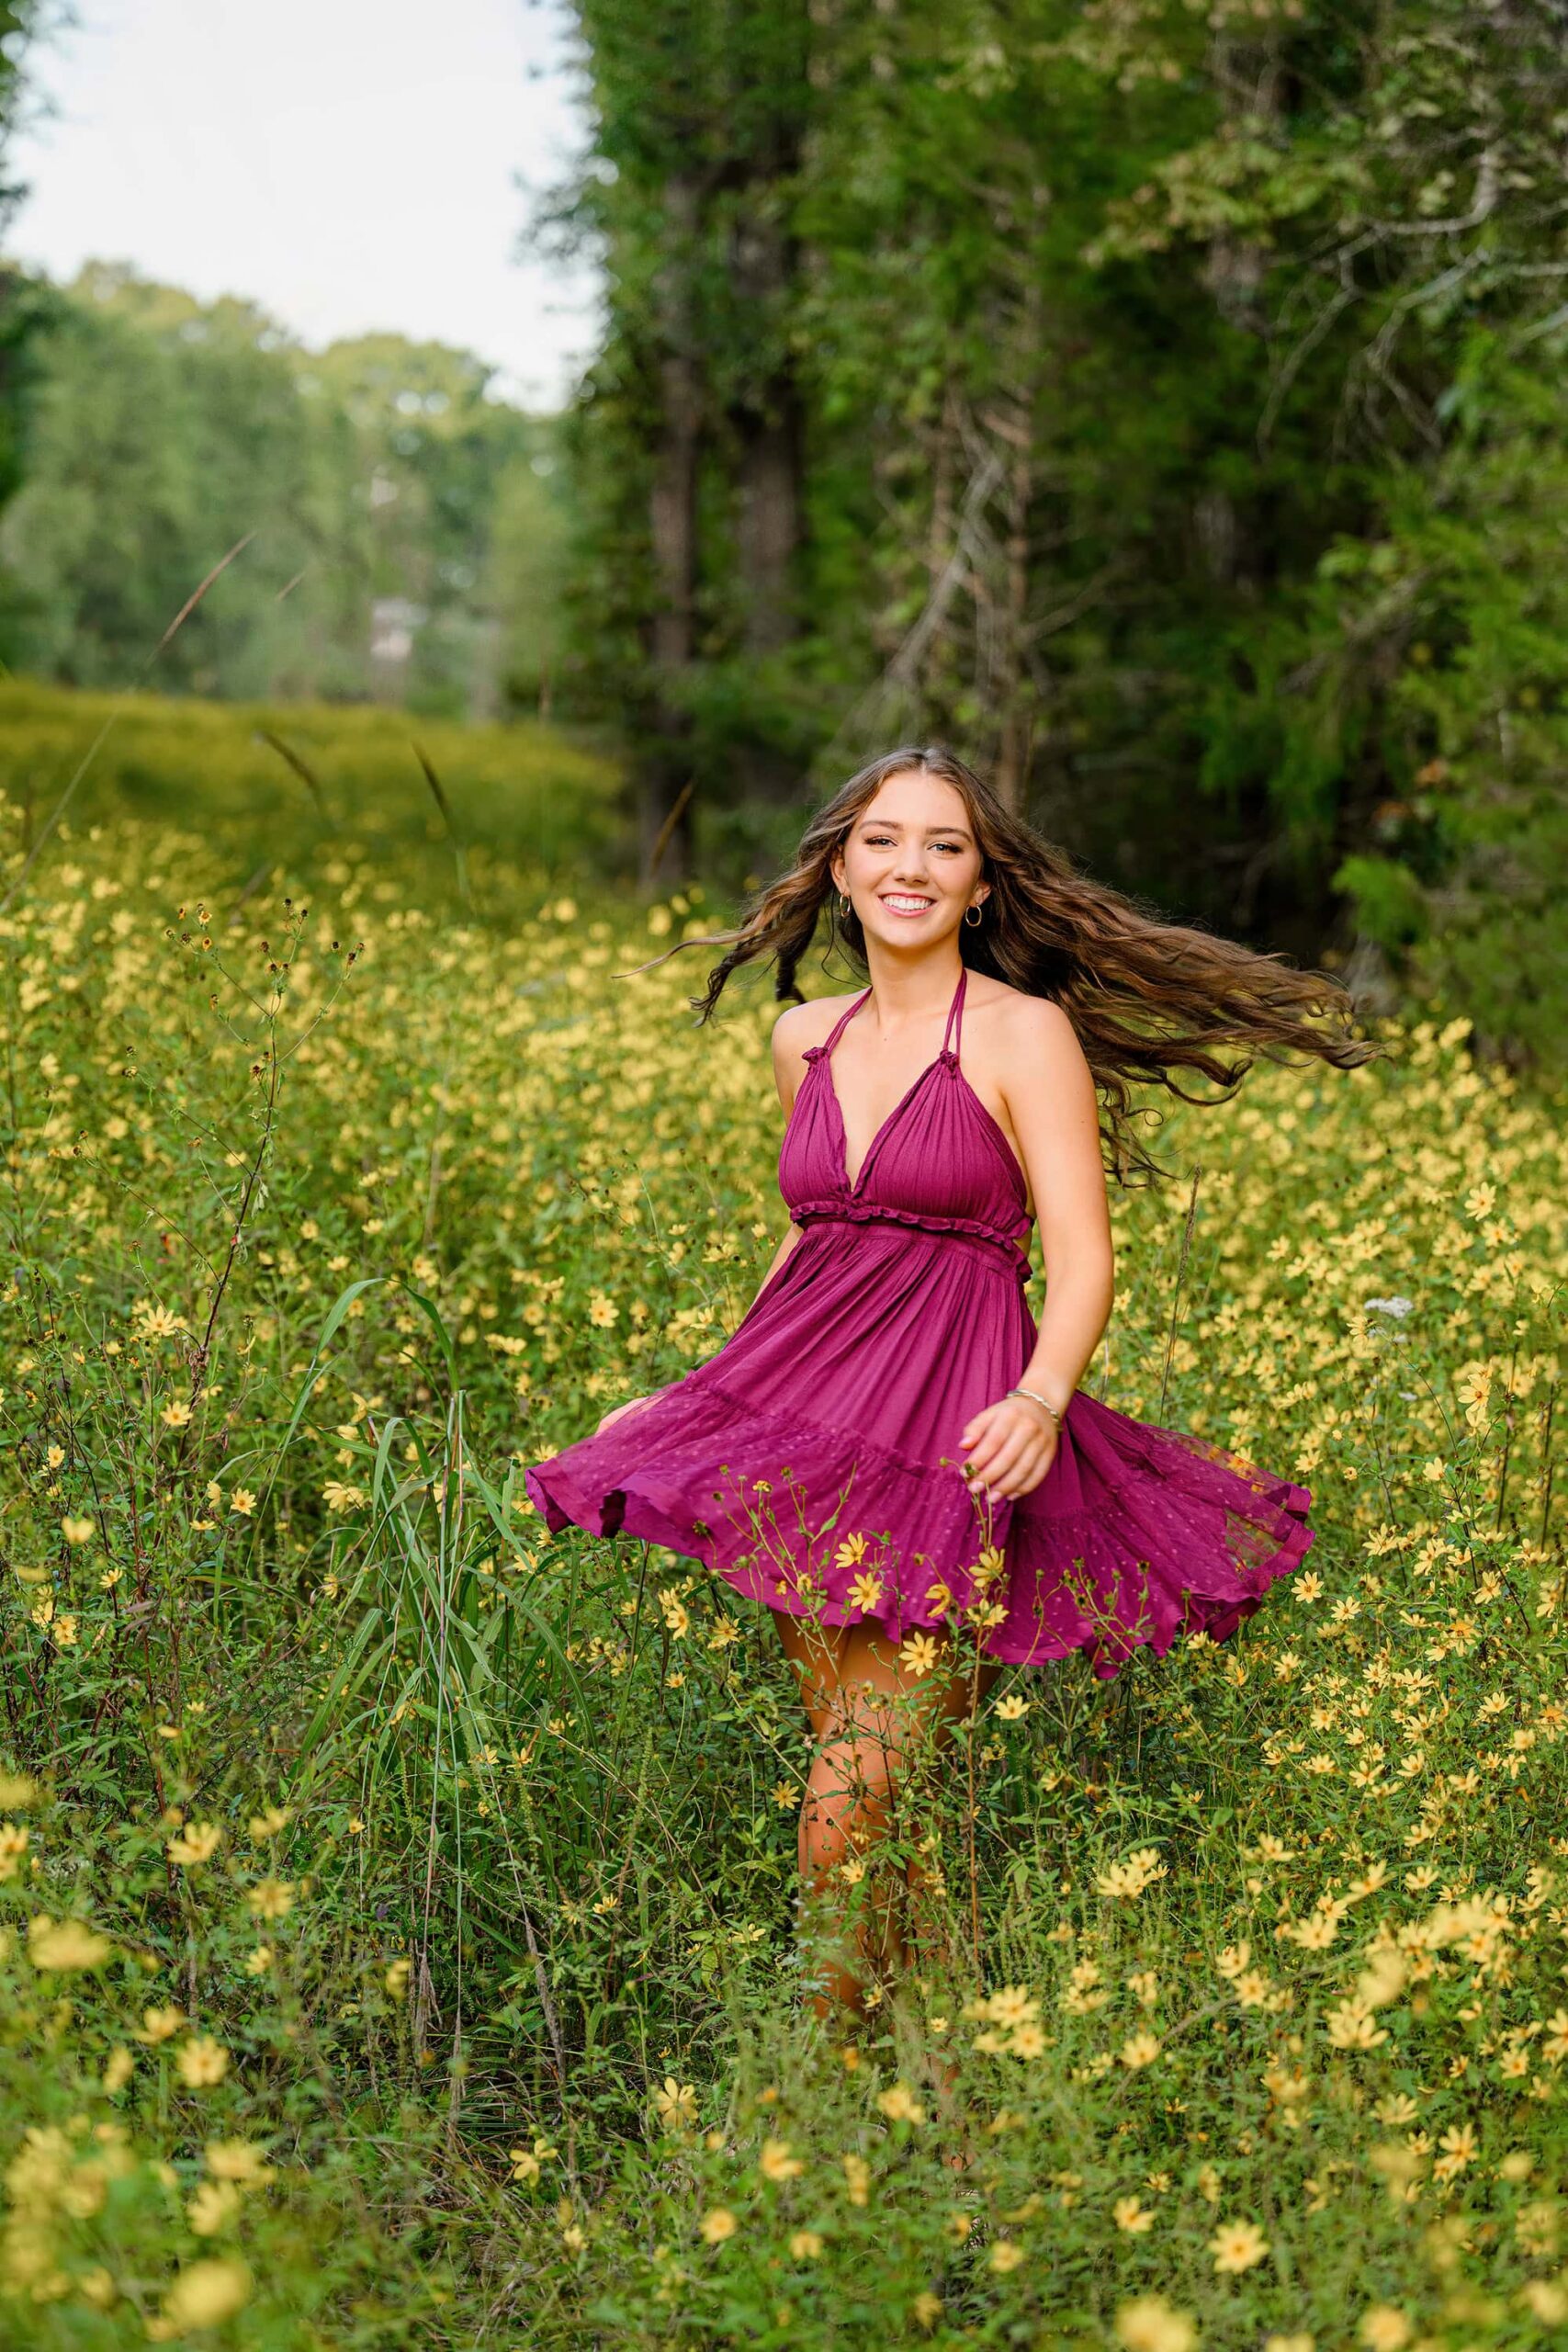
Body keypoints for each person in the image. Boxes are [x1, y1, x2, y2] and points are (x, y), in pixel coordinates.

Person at [523, 744, 1378, 2021]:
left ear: (981, 884)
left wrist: (1038, 1401)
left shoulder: (1025, 1035)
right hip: (811, 1440)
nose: (908, 865)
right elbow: (810, 1250)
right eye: (881, 840)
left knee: (843, 1815)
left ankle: (809, 2114)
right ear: (840, 866)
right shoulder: (802, 1036)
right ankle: (942, 2123)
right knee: (888, 1823)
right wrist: (689, 1400)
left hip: (946, 1450)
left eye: (942, 844)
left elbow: (1084, 1259)